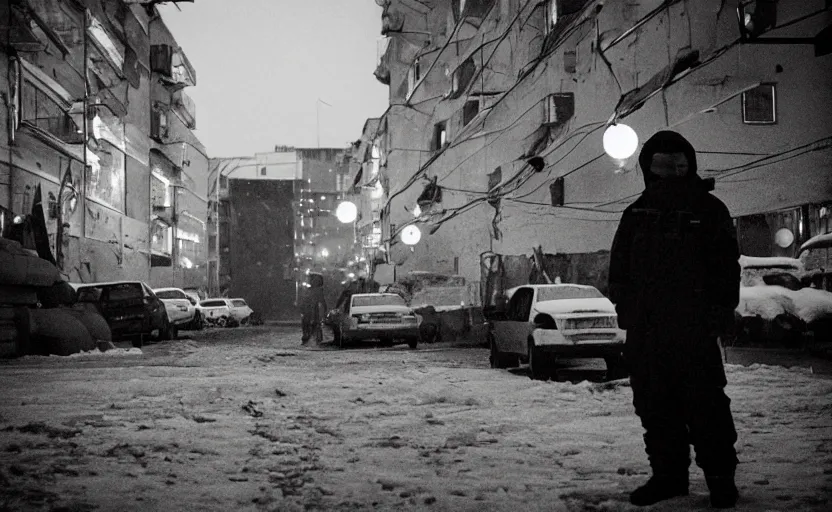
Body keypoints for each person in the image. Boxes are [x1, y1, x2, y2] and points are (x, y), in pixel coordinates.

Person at [608, 130, 740, 508]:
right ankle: (668, 478)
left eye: (677, 164)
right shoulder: (636, 215)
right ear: (649, 169)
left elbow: (725, 270)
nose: (670, 173)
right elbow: (619, 273)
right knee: (655, 406)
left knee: (706, 407)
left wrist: (718, 313)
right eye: (662, 165)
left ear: (690, 165)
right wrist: (629, 310)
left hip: (693, 331)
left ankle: (720, 480)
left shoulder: (709, 211)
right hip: (648, 334)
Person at [300, 272, 327, 345]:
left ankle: (314, 339)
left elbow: (322, 302)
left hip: (313, 311)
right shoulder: (310, 290)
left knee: (314, 325)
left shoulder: (316, 291)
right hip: (309, 311)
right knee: (308, 324)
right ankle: (311, 339)